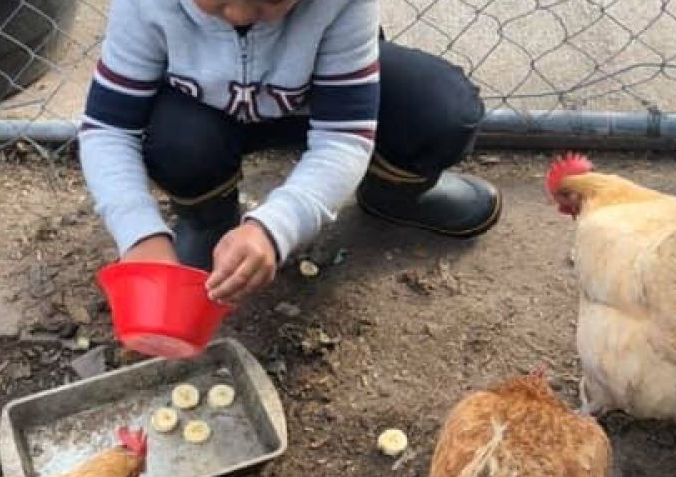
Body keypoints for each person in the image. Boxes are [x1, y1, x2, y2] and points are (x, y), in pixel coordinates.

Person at [78, 0, 500, 306]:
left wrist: (275, 226)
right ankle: (209, 219)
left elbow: (343, 137)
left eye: (271, 0)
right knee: (173, 140)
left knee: (440, 109)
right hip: (202, 117)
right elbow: (108, 128)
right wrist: (140, 234)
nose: (241, 14)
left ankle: (393, 195)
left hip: (313, 102)